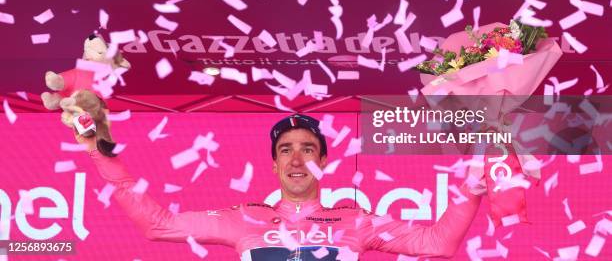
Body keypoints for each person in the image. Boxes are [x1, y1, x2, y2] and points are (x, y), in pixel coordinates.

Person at [79, 113, 484, 260]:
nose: (296, 160)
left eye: (307, 149)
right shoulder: (243, 219)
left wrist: (473, 187)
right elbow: (158, 225)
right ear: (273, 164)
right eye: (285, 151)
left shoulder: (356, 221)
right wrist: (101, 156)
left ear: (323, 161)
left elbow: (438, 244)